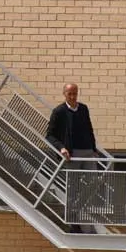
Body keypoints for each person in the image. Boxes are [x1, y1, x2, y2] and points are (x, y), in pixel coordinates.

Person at [46, 83, 99, 234]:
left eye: (75, 93)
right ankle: (72, 222)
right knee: (73, 188)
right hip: (72, 154)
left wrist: (93, 148)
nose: (73, 97)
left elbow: (89, 128)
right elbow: (49, 135)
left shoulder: (83, 109)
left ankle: (77, 209)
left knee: (94, 181)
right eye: (70, 94)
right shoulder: (59, 111)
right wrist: (61, 148)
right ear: (64, 94)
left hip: (87, 152)